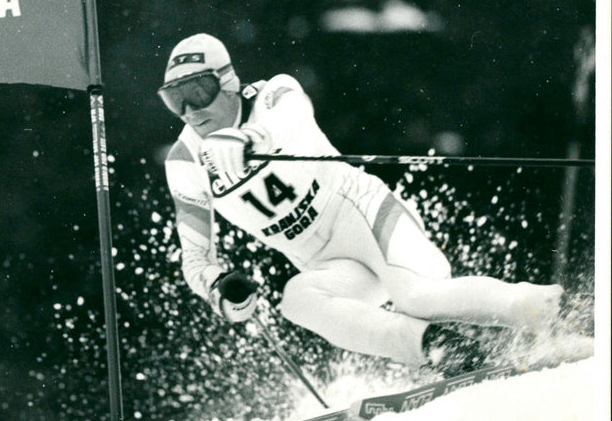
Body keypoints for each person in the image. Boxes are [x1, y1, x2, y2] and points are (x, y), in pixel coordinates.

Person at [158, 33, 562, 376]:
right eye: (176, 100)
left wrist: (248, 139)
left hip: (365, 215)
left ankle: (545, 310)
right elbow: (195, 259)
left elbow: (295, 115)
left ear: (228, 82)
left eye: (199, 92)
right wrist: (218, 290)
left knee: (417, 298)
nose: (191, 111)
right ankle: (441, 350)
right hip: (329, 264)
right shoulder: (186, 160)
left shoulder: (273, 95)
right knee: (296, 300)